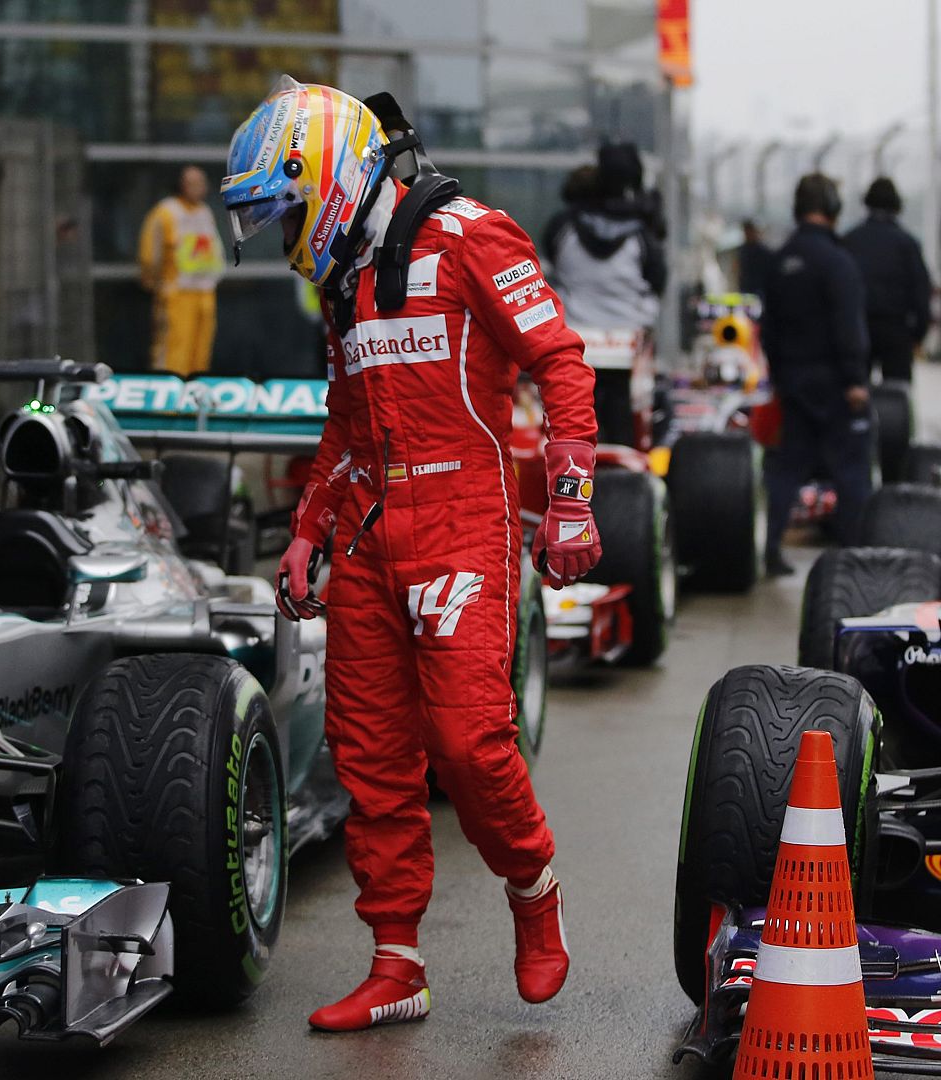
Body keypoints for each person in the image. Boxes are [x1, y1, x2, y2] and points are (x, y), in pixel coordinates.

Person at [221, 77, 599, 1031]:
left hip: (464, 515)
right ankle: (397, 964)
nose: (285, 235)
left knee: (468, 744)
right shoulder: (347, 277)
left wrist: (572, 502)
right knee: (370, 758)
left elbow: (561, 361)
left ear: (330, 175)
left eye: (287, 211)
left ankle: (532, 885)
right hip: (368, 532)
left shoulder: (474, 233)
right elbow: (347, 419)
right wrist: (308, 527)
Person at [761, 174, 871, 576]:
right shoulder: (838, 262)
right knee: (851, 468)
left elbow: (767, 328)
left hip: (792, 381)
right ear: (832, 207)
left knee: (787, 467)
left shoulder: (780, 261)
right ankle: (854, 555)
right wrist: (856, 379)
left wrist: (780, 374)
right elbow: (848, 325)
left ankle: (770, 549)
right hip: (835, 382)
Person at [548, 142, 667, 329]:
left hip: (572, 328)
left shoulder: (564, 226)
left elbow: (550, 264)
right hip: (630, 328)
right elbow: (657, 280)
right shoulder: (643, 233)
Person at [842, 177, 932, 384]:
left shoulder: (850, 240)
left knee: (857, 390)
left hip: (858, 327)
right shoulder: (907, 243)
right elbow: (921, 292)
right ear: (897, 205)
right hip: (896, 329)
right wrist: (918, 335)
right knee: (897, 391)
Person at [138, 165, 226, 375]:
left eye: (201, 182)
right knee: (173, 352)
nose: (199, 187)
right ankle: (168, 405)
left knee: (200, 354)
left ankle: (194, 402)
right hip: (176, 295)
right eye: (192, 183)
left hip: (204, 294)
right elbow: (150, 253)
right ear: (180, 185)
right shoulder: (166, 212)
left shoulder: (204, 212)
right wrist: (156, 285)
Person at [736, 219, 773, 297]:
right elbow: (738, 268)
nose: (747, 234)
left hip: (759, 289)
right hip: (746, 288)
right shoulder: (742, 250)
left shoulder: (762, 250)